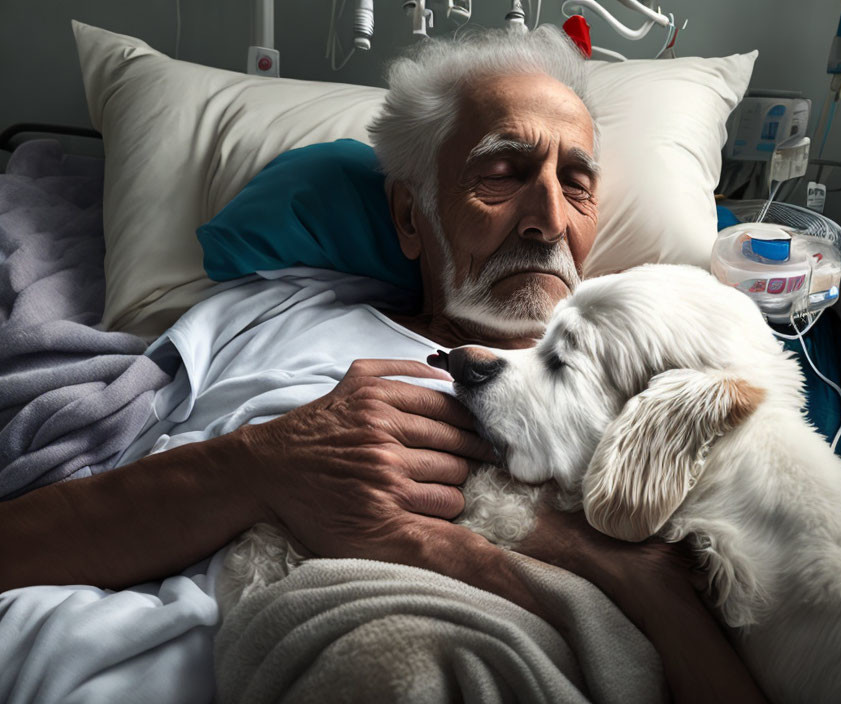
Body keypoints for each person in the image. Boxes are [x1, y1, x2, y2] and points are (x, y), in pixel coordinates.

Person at [0, 26, 766, 702]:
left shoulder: (645, 390)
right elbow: (22, 545)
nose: (549, 220)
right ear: (410, 215)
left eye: (577, 182)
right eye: (502, 171)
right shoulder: (272, 312)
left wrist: (612, 572)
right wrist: (259, 466)